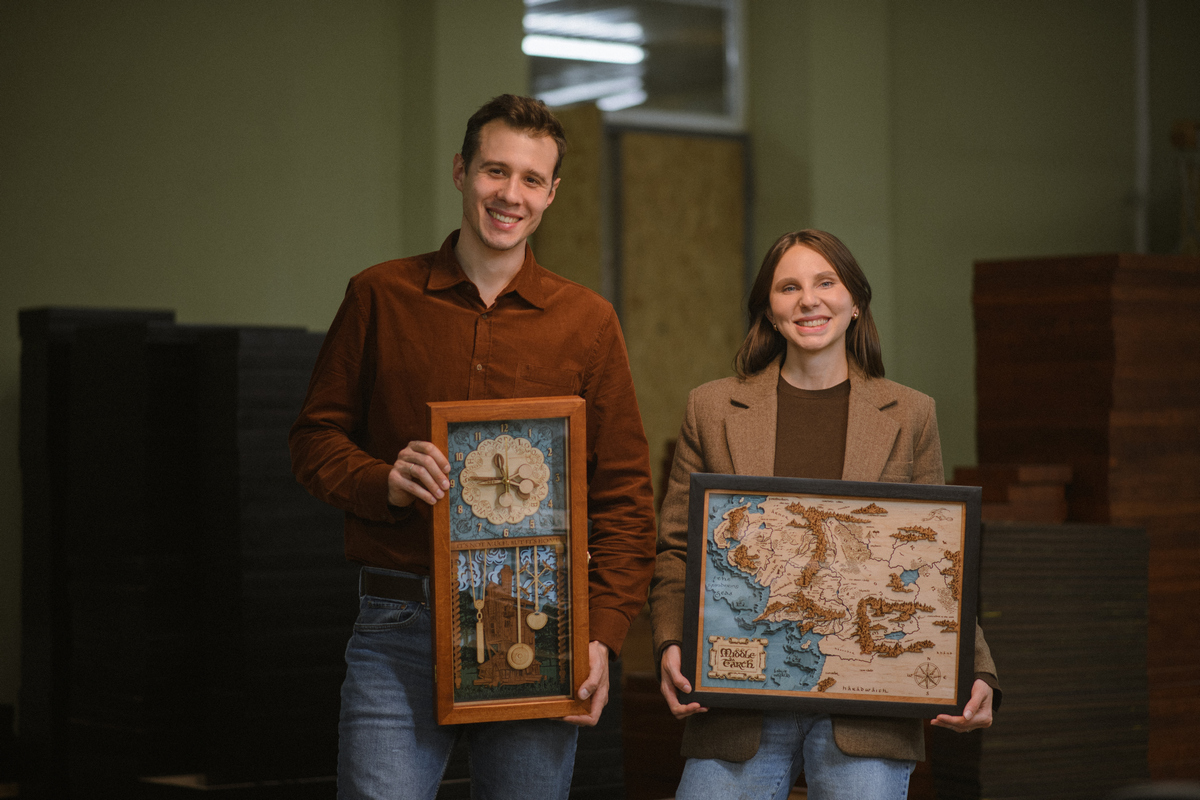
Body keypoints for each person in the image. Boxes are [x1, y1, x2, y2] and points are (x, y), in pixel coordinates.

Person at [289, 94, 657, 800]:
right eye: (495, 171)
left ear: (551, 193)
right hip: (399, 626)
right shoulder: (378, 296)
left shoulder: (587, 323)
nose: (510, 194)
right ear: (461, 171)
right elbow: (313, 440)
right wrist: (382, 481)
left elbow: (624, 499)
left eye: (530, 179)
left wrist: (601, 635)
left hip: (538, 628)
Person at [648, 229, 1000, 800]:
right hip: (738, 697)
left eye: (825, 283)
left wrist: (976, 669)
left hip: (867, 704)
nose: (808, 300)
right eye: (789, 287)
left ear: (854, 301)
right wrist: (670, 641)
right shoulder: (710, 408)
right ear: (769, 308)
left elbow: (937, 561)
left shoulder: (911, 414)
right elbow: (678, 550)